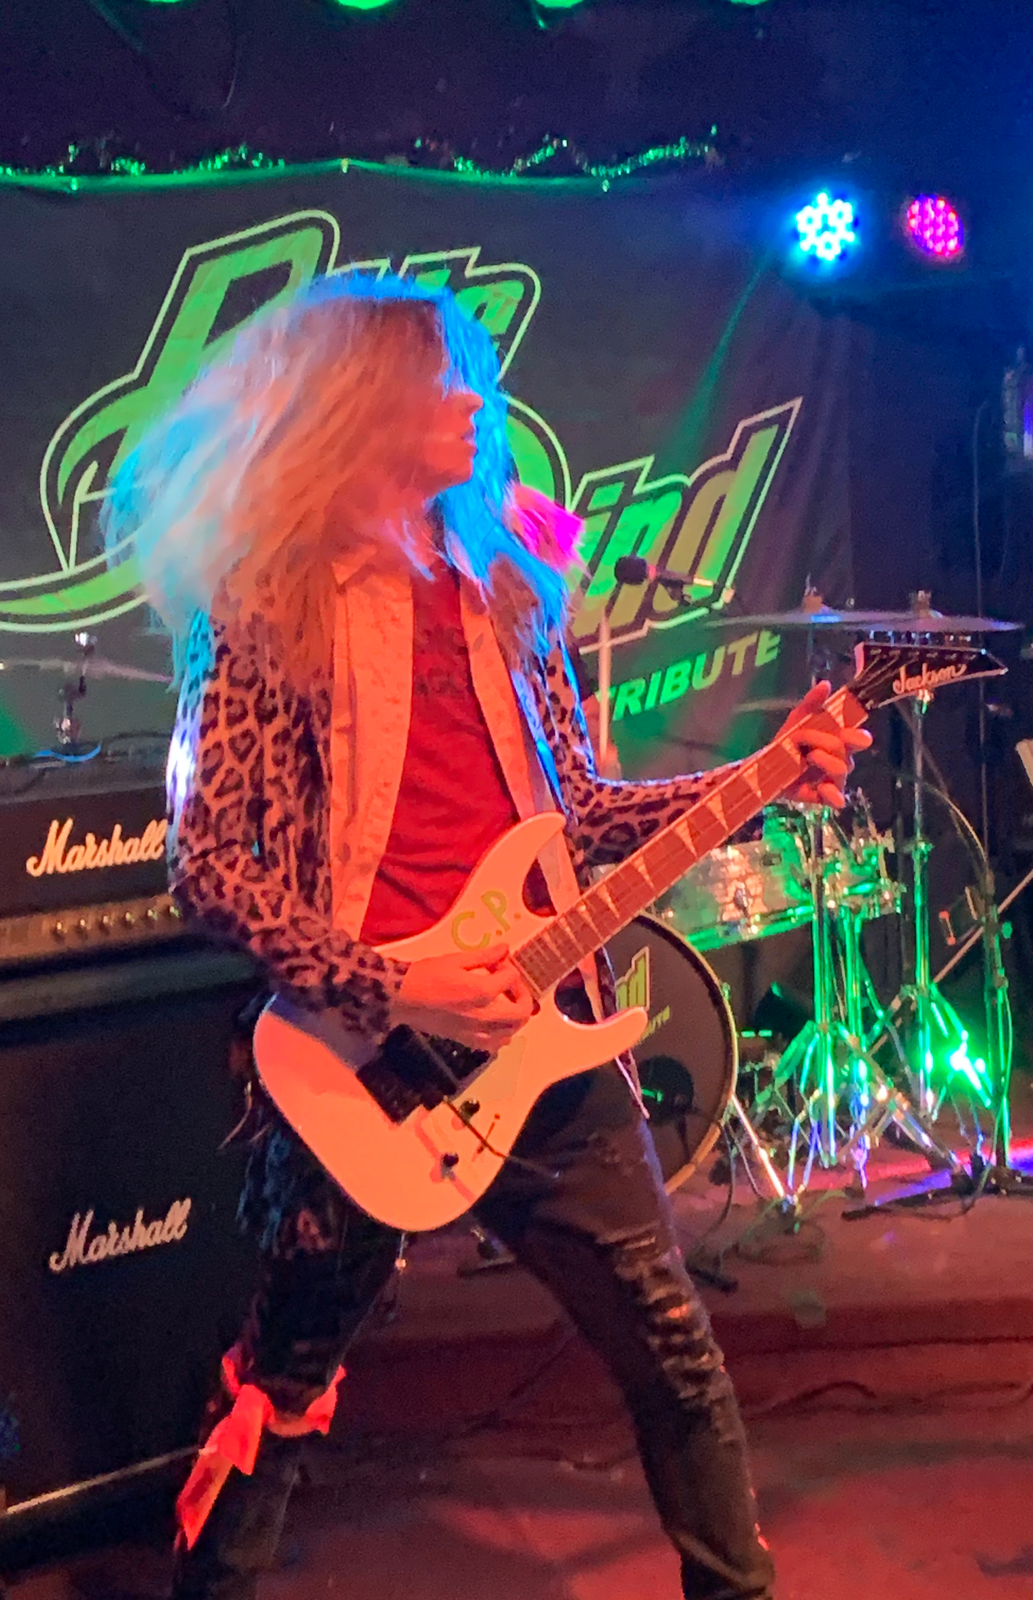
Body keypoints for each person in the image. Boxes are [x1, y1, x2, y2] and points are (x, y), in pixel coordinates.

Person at [105, 275, 869, 1600]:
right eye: (439, 379)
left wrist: (765, 773)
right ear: (360, 406)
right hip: (364, 1063)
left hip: (545, 1038)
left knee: (676, 1354)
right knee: (285, 1380)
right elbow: (208, 864)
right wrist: (395, 984)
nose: (475, 401)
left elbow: (580, 817)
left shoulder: (510, 595)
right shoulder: (266, 606)